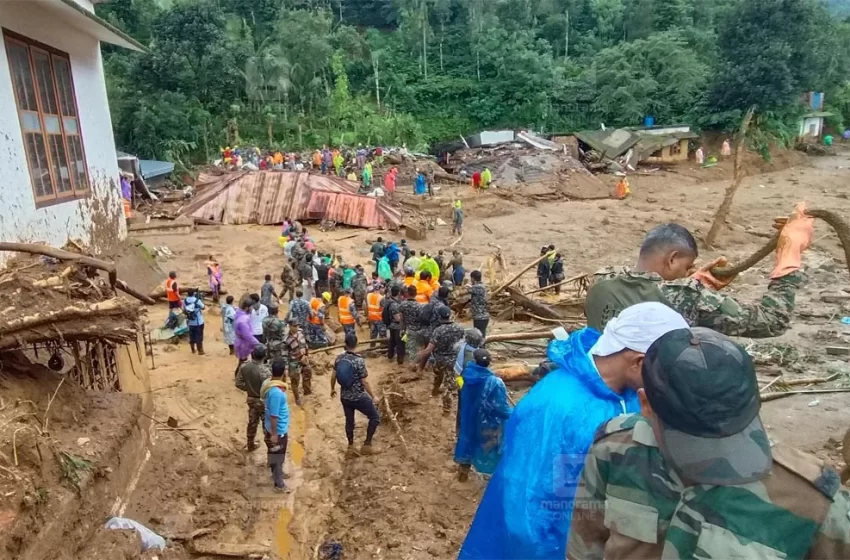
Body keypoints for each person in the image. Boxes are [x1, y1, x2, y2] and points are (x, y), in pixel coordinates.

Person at [568, 327, 850, 560]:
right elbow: (585, 545)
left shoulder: (814, 501)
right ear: (646, 405)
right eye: (694, 442)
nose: (714, 460)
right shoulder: (614, 448)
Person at [459, 302, 688, 559]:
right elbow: (528, 512)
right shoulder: (556, 409)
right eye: (666, 374)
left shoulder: (630, 394)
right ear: (639, 362)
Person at [586, 207, 813, 337]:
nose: (687, 275)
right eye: (686, 268)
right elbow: (772, 320)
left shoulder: (599, 279)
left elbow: (645, 291)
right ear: (672, 258)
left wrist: (696, 282)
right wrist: (789, 255)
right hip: (657, 393)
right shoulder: (689, 296)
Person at [455, 348, 511, 481]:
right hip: (487, 421)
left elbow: (461, 390)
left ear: (474, 360)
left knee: (467, 440)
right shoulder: (495, 382)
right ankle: (492, 475)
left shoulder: (466, 374)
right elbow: (500, 407)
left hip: (468, 416)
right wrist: (513, 414)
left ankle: (463, 474)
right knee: (490, 446)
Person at [331, 334, 381, 455]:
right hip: (358, 397)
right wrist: (373, 396)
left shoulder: (338, 358)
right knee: (375, 417)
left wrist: (332, 389)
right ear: (356, 344)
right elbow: (364, 382)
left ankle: (351, 446)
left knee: (349, 421)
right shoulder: (359, 360)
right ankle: (367, 446)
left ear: (345, 344)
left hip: (344, 397)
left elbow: (333, 376)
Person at [416, 306, 465, 414]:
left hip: (440, 360)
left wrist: (419, 356)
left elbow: (429, 349)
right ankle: (446, 408)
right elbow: (463, 344)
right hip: (454, 361)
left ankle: (435, 391)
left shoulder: (438, 331)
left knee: (438, 377)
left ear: (439, 316)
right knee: (449, 384)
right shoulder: (459, 328)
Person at [261, 358, 290, 493]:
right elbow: (274, 415)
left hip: (275, 427)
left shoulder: (269, 383)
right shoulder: (276, 393)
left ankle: (276, 471)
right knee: (277, 456)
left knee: (276, 454)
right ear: (284, 372)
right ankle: (279, 484)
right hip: (277, 430)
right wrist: (274, 434)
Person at [235, 344, 270, 451]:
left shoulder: (244, 366)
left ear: (252, 354)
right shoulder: (265, 371)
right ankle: (271, 452)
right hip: (264, 401)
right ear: (264, 356)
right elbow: (270, 389)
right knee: (267, 426)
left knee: (252, 423)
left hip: (251, 399)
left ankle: (250, 445)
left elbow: (238, 383)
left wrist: (249, 389)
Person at [284, 319, 310, 405]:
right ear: (290, 326)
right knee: (295, 381)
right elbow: (285, 354)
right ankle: (297, 398)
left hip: (303, 359)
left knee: (307, 373)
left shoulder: (301, 333)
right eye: (294, 326)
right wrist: (286, 368)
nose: (296, 327)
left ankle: (307, 391)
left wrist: (306, 355)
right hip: (293, 361)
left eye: (297, 325)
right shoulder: (286, 339)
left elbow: (305, 345)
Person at [234, 296, 259, 373]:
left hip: (240, 341)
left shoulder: (239, 314)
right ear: (247, 308)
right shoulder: (243, 320)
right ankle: (238, 378)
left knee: (242, 361)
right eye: (251, 307)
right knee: (242, 362)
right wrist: (258, 343)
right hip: (243, 344)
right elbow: (248, 336)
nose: (252, 308)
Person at [399, 285, 424, 356]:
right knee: (417, 349)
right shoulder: (419, 306)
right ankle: (415, 364)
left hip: (408, 330)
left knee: (410, 349)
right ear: (416, 293)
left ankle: (412, 363)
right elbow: (421, 319)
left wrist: (401, 330)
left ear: (407, 293)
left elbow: (401, 318)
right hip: (418, 330)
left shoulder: (402, 304)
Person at [383, 285, 404, 364]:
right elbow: (397, 318)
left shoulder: (389, 301)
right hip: (397, 326)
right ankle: (400, 360)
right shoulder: (394, 304)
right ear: (398, 293)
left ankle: (390, 356)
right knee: (399, 343)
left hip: (391, 326)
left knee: (392, 342)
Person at [467, 270, 490, 336]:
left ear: (473, 278)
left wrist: (467, 287)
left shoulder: (476, 287)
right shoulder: (483, 286)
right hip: (484, 316)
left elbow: (465, 291)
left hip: (479, 317)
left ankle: (481, 346)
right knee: (482, 334)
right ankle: (482, 345)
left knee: (478, 335)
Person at [183, 288, 206, 355]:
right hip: (199, 322)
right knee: (199, 336)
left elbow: (184, 310)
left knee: (192, 336)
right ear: (193, 294)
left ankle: (193, 350)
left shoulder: (185, 301)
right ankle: (200, 351)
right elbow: (203, 307)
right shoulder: (197, 300)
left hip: (190, 322)